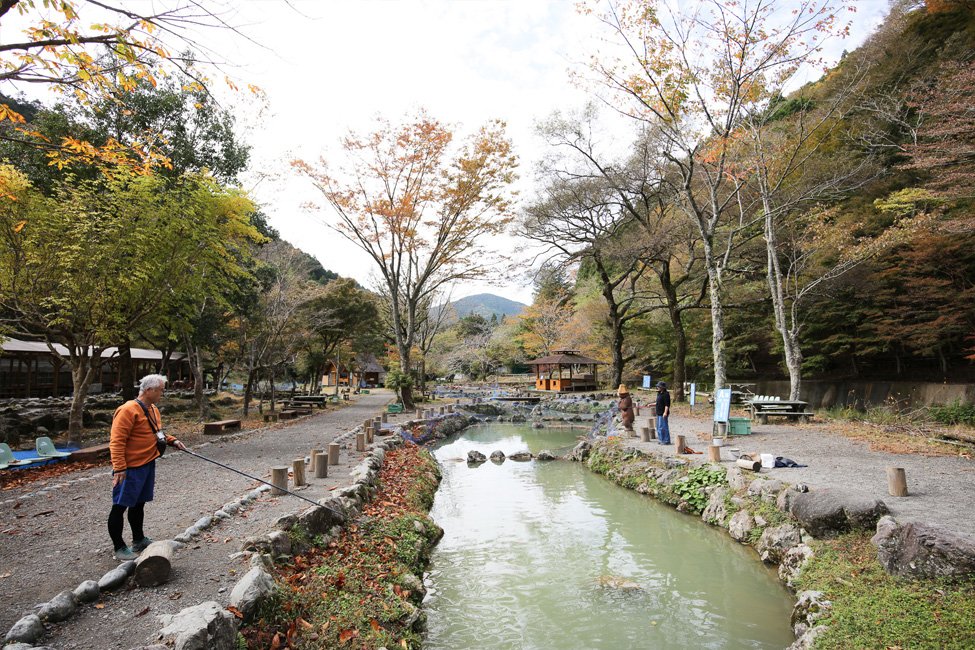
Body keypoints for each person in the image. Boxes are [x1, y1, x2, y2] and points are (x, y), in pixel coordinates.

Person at [108, 374, 186, 561]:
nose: (162, 394)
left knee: (138, 503)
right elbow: (117, 441)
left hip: (147, 463)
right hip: (129, 467)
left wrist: (172, 440)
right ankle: (119, 546)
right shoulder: (127, 410)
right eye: (160, 390)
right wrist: (119, 468)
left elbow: (155, 432)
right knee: (120, 506)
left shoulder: (153, 410)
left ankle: (138, 539)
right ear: (148, 390)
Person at [655, 381, 671, 445]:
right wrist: (651, 404)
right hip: (658, 412)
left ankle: (666, 440)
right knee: (658, 427)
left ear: (662, 387)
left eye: (659, 386)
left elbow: (667, 404)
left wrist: (665, 412)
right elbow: (658, 403)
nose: (658, 387)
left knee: (663, 427)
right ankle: (661, 439)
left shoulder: (666, 394)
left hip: (663, 413)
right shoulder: (659, 393)